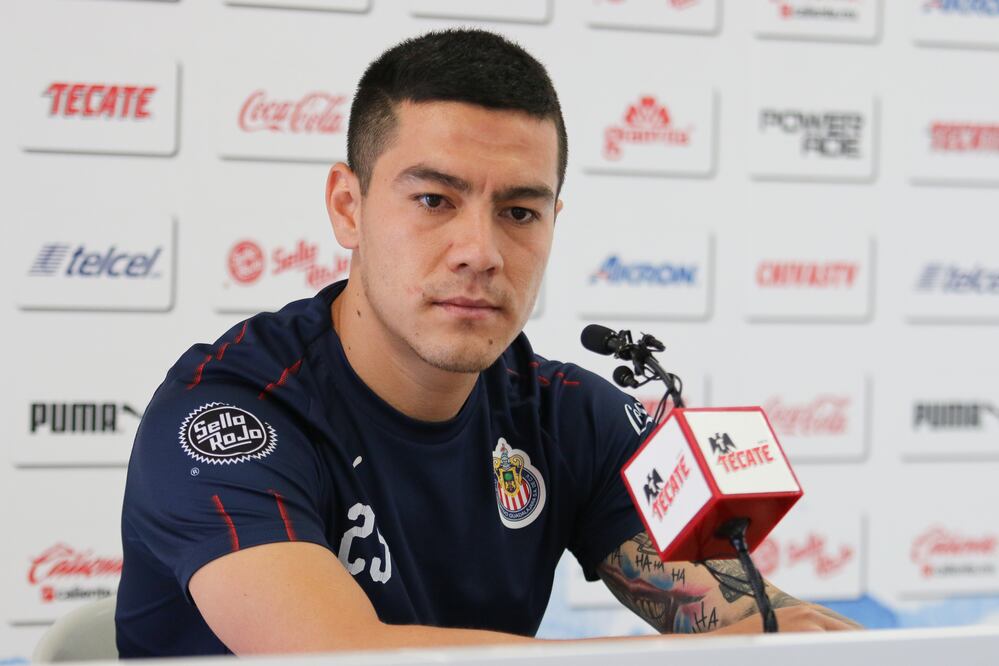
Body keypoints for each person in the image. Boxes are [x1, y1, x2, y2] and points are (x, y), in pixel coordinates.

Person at [114, 28, 859, 658]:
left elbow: (730, 617)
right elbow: (341, 656)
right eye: (434, 200)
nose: (481, 251)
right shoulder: (225, 418)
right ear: (348, 207)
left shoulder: (569, 414)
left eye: (519, 212)